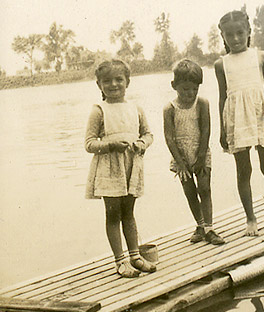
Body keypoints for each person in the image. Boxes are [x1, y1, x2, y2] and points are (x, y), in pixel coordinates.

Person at [214, 10, 264, 236]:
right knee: (243, 170)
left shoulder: (262, 57)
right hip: (236, 119)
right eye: (230, 35)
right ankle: (251, 219)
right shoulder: (221, 65)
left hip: (261, 115)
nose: (236, 39)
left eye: (240, 33)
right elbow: (222, 97)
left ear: (249, 32)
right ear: (223, 36)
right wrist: (222, 129)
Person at [85, 59, 156, 278]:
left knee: (129, 213)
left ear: (128, 81)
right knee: (113, 214)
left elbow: (148, 134)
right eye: (107, 81)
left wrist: (142, 144)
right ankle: (120, 261)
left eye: (119, 79)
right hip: (109, 169)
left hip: (130, 167)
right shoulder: (99, 110)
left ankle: (135, 257)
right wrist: (110, 146)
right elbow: (89, 144)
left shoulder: (136, 108)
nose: (114, 84)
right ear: (99, 85)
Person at [163, 59, 225, 245]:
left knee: (204, 189)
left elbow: (206, 130)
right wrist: (181, 163)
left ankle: (210, 228)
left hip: (200, 152)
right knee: (189, 191)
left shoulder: (202, 103)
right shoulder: (169, 108)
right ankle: (199, 226)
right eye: (185, 89)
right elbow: (169, 138)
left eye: (194, 89)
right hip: (180, 156)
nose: (190, 93)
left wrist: (200, 157)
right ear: (174, 86)